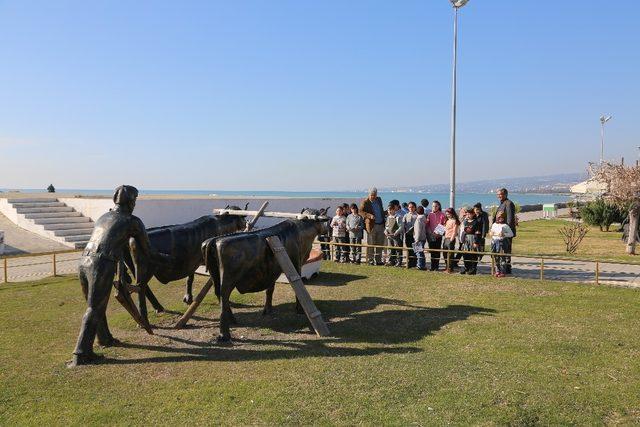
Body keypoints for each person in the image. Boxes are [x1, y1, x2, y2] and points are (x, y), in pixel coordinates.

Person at [72, 185, 167, 366]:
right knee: (94, 308)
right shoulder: (132, 222)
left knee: (96, 304)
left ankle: (104, 338)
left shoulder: (104, 217)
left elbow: (115, 241)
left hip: (83, 261)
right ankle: (81, 354)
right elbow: (148, 252)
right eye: (135, 200)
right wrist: (168, 259)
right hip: (101, 263)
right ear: (131, 201)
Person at [492, 188, 517, 274]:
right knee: (500, 251)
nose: (498, 196)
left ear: (505, 194)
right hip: (499, 232)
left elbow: (510, 220)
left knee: (506, 250)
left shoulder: (508, 203)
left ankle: (506, 268)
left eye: (500, 194)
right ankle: (502, 268)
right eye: (497, 194)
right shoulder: (502, 203)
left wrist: (505, 232)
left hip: (505, 232)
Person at [360, 187, 386, 265]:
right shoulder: (365, 202)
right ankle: (370, 260)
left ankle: (378, 260)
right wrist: (369, 215)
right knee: (370, 244)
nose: (373, 197)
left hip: (381, 225)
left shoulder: (379, 199)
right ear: (369, 194)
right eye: (371, 195)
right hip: (371, 226)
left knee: (380, 244)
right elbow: (360, 211)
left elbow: (380, 210)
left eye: (374, 195)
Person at [490, 212, 514, 277]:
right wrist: (491, 233)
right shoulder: (494, 224)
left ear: (504, 218)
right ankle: (497, 271)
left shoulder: (505, 226)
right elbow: (491, 231)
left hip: (502, 243)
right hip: (494, 242)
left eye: (501, 217)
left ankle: (503, 272)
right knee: (496, 257)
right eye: (499, 217)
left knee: (502, 258)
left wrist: (504, 234)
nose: (500, 218)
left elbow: (511, 234)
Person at [460, 207, 482, 275]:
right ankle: (467, 268)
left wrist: (476, 242)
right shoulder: (465, 222)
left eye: (469, 214)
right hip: (466, 239)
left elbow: (478, 233)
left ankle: (473, 269)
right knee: (465, 254)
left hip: (473, 239)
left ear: (473, 214)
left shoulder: (476, 222)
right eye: (467, 213)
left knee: (473, 255)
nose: (468, 215)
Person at [426, 200, 447, 271]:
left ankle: (436, 266)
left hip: (438, 236)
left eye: (436, 206)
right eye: (433, 206)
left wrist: (438, 234)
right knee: (432, 251)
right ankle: (432, 266)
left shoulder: (442, 215)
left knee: (437, 251)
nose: (434, 207)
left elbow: (444, 225)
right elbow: (427, 225)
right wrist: (430, 233)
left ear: (439, 206)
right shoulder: (430, 214)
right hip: (431, 235)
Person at [443, 208, 461, 273]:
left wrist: (451, 240)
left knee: (450, 254)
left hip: (451, 238)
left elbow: (455, 231)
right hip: (445, 238)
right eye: (446, 214)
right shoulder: (447, 221)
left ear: (452, 213)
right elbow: (444, 229)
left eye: (449, 214)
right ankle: (447, 267)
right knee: (444, 254)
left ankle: (450, 268)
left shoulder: (455, 221)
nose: (447, 215)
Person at [403, 202, 419, 268]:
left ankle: (415, 263)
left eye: (412, 207)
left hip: (415, 235)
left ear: (415, 207)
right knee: (409, 249)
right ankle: (409, 262)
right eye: (409, 207)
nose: (411, 208)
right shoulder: (406, 215)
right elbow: (403, 224)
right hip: (408, 234)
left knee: (416, 249)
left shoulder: (418, 215)